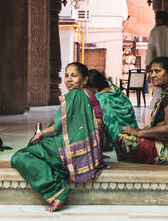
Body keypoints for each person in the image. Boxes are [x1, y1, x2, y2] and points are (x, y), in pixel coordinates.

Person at [11, 62, 105, 212]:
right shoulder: (88, 95)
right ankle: (60, 173)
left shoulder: (76, 94)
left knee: (20, 157)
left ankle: (56, 190)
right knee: (38, 144)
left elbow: (60, 125)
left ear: (85, 79)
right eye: (66, 75)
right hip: (84, 148)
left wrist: (42, 132)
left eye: (74, 76)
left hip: (72, 147)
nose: (68, 79)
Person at [86, 69, 138, 148]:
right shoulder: (116, 90)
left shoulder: (100, 99)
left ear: (94, 88)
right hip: (134, 133)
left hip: (120, 141)